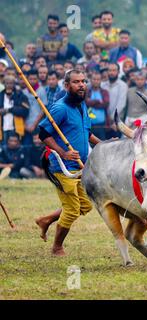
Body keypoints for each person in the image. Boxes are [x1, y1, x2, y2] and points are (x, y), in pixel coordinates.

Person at [35, 70, 101, 256]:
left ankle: (46, 220)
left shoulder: (81, 105)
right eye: (76, 82)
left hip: (80, 165)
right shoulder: (60, 108)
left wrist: (103, 145)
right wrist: (63, 153)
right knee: (72, 210)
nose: (81, 85)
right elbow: (43, 134)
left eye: (83, 81)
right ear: (66, 85)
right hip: (61, 167)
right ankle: (57, 247)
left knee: (85, 205)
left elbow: (86, 133)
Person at [0, 75, 29, 144]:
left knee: (16, 147)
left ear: (14, 84)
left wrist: (10, 110)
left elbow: (25, 111)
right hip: (2, 128)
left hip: (16, 128)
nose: (9, 85)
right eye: (7, 83)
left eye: (11, 83)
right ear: (4, 84)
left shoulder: (20, 95)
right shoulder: (0, 95)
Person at [101, 62, 127, 138]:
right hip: (103, 123)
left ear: (118, 72)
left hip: (116, 122)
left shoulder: (123, 85)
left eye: (114, 70)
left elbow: (121, 105)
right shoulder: (102, 85)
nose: (111, 73)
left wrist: (111, 119)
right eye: (109, 70)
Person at [22, 70, 47, 147]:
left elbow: (43, 110)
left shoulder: (41, 90)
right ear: (27, 79)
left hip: (38, 125)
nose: (32, 81)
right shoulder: (24, 92)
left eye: (34, 79)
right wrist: (25, 125)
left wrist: (34, 125)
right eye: (30, 79)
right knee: (27, 146)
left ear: (37, 79)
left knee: (39, 147)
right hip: (26, 125)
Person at [86, 71, 109, 140]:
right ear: (90, 80)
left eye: (98, 79)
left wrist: (91, 102)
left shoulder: (104, 92)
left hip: (101, 125)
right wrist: (98, 101)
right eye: (94, 79)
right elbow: (86, 103)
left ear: (101, 80)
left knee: (102, 146)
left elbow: (105, 104)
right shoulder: (87, 91)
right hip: (89, 126)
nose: (96, 81)